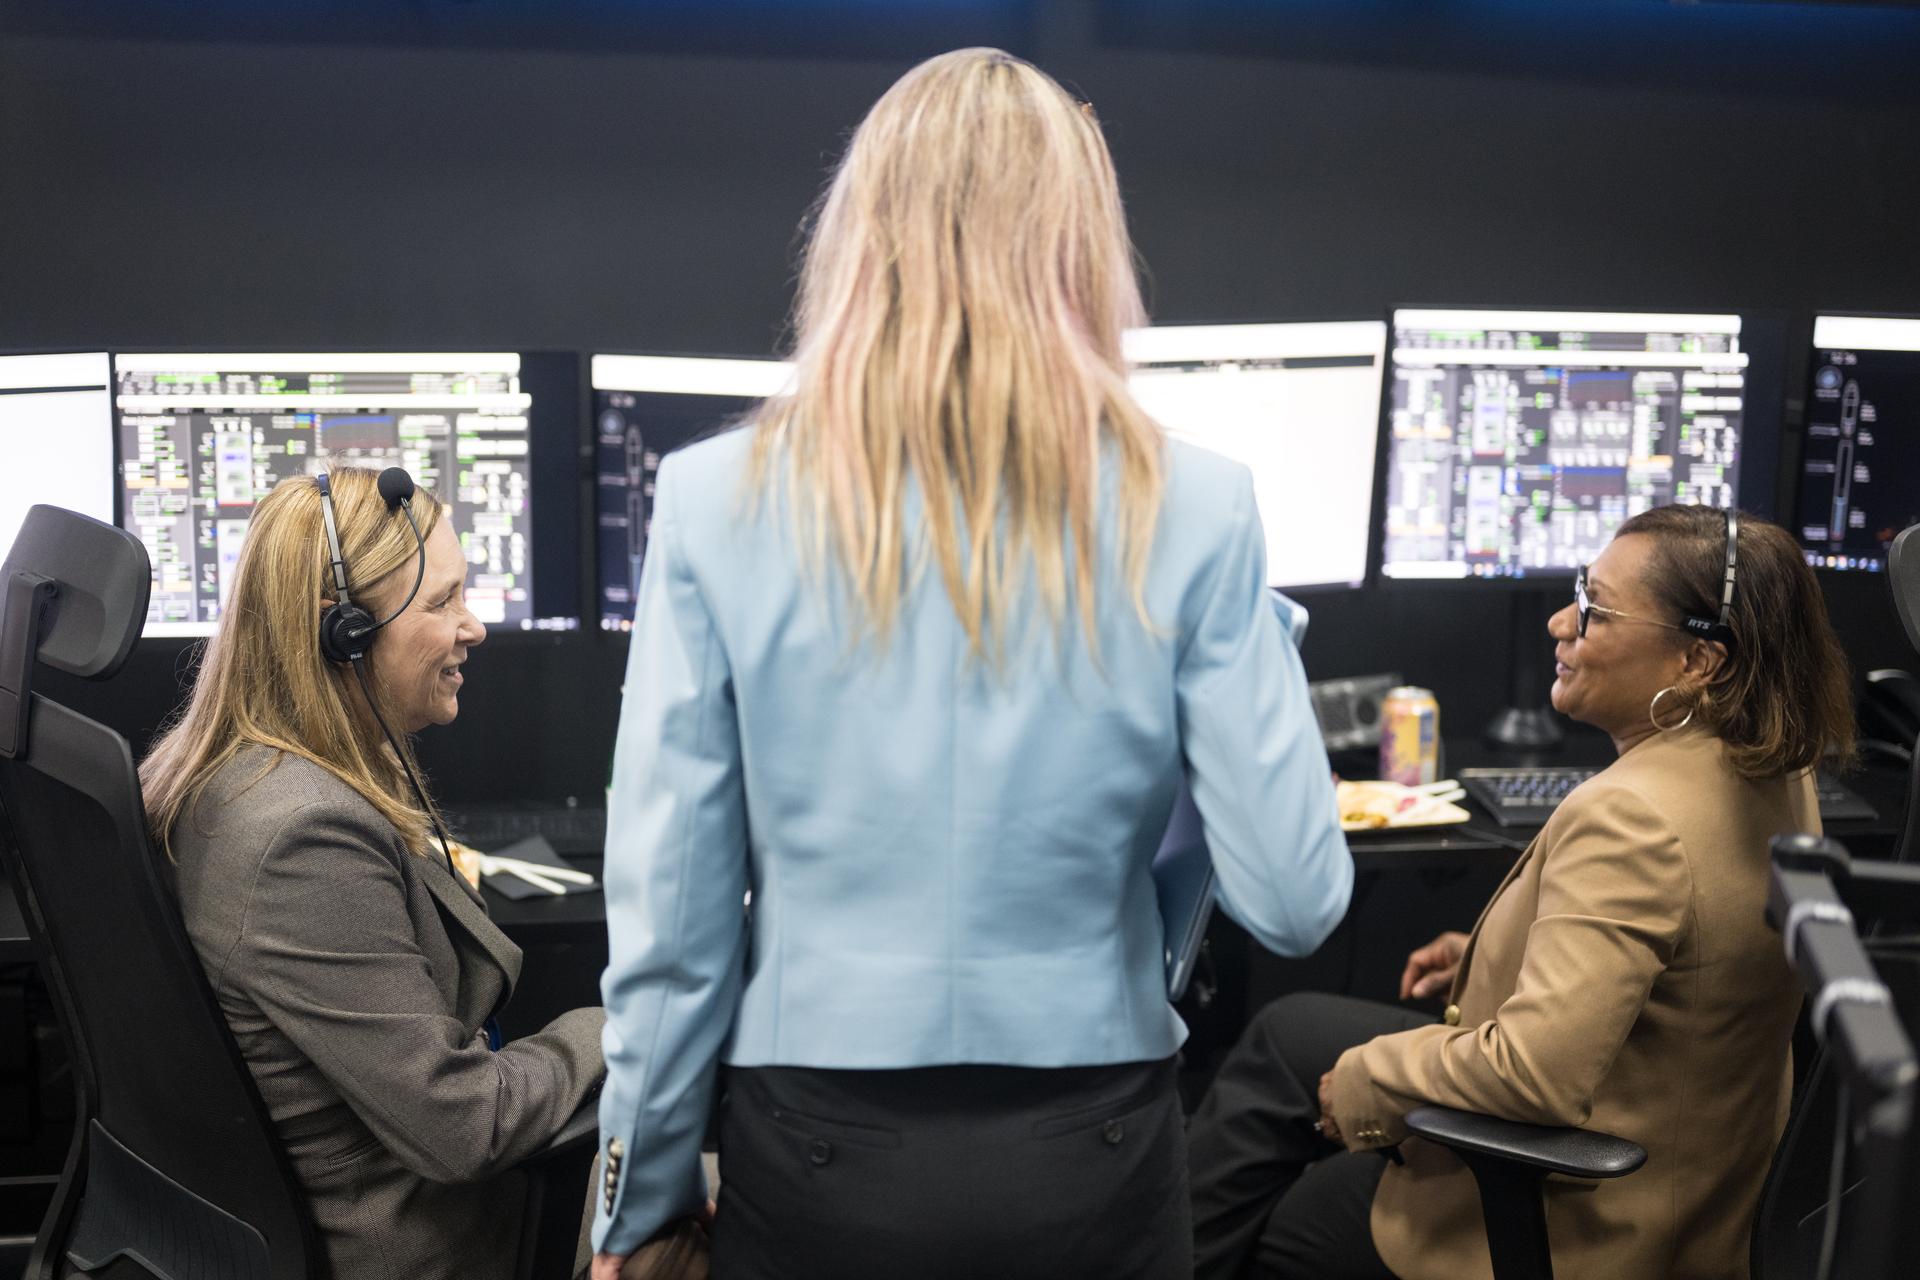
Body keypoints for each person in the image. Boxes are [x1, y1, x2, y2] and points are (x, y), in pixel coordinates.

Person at [590, 47, 1354, 1280]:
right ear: (1083, 244)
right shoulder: (1200, 508)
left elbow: (672, 923)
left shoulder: (712, 500)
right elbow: (1297, 897)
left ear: (856, 237)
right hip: (1094, 1147)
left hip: (816, 1145)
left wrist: (642, 1196)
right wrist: (1242, 631)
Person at [1187, 504, 1858, 1280]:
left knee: (1288, 1223)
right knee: (1289, 1032)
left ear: (1697, 662)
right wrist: (1497, 951)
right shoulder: (1777, 765)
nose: (1558, 622)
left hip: (1591, 1229)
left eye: (1596, 610)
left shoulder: (1628, 817)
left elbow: (1536, 1076)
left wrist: (1370, 1083)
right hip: (1706, 1190)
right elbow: (1697, 953)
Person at [142, 467, 607, 1280]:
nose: (475, 628)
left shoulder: (247, 772)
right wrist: (632, 1027)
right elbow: (464, 1125)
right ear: (344, 632)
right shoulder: (301, 833)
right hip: (425, 1243)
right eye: (441, 603)